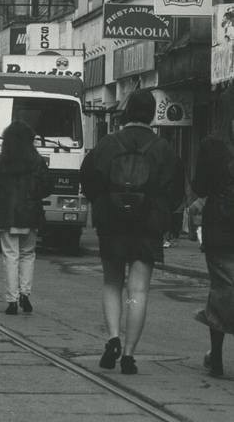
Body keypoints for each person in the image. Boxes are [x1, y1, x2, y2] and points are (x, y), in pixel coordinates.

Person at [80, 89, 184, 374]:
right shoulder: (163, 149)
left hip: (112, 223)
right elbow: (176, 193)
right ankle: (128, 354)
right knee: (137, 290)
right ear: (152, 114)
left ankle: (112, 337)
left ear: (126, 113)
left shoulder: (107, 145)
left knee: (112, 283)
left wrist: (104, 206)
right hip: (148, 226)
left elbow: (88, 180)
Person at [191, 84, 234, 378]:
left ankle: (216, 356)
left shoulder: (211, 144)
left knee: (221, 288)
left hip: (221, 226)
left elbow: (200, 187)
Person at [0, 120, 52, 315]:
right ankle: (25, 294)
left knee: (10, 255)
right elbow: (48, 187)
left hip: (7, 214)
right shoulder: (37, 162)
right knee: (28, 254)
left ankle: (12, 300)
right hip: (30, 213)